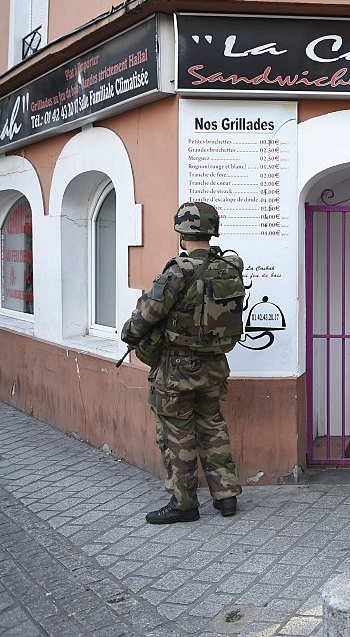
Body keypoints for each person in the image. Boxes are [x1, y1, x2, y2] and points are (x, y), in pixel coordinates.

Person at [121, 202, 246, 525]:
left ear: (182, 231)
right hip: (215, 365)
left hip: (177, 369)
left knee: (177, 433)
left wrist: (129, 335)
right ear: (212, 230)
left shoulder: (177, 272)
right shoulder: (230, 268)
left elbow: (144, 317)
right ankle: (227, 496)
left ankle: (184, 503)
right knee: (212, 425)